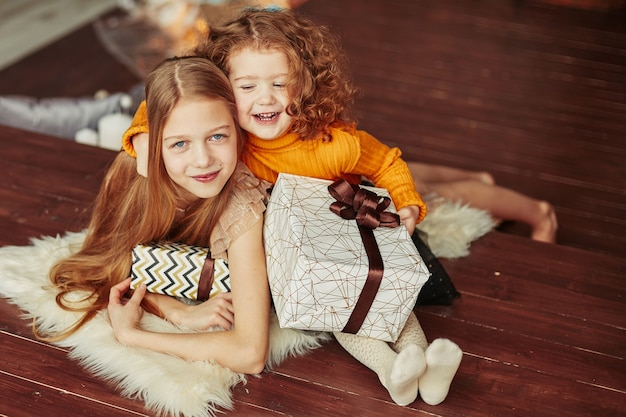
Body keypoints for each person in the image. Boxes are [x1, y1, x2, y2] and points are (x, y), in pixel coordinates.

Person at [122, 9, 462, 406]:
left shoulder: (332, 141)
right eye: (246, 86)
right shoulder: (229, 140)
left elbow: (387, 162)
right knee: (335, 303)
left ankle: (421, 366)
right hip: (294, 252)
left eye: (280, 84)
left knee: (377, 298)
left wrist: (407, 205)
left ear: (304, 86)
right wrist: (142, 135)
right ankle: (394, 371)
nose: (265, 98)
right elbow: (175, 90)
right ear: (222, 89)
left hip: (343, 233)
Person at [41, 56, 271, 375]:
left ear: (238, 129)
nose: (203, 160)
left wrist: (134, 335)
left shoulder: (243, 201)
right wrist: (175, 311)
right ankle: (112, 107)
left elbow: (249, 353)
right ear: (154, 146)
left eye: (218, 136)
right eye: (179, 144)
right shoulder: (135, 177)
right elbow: (106, 267)